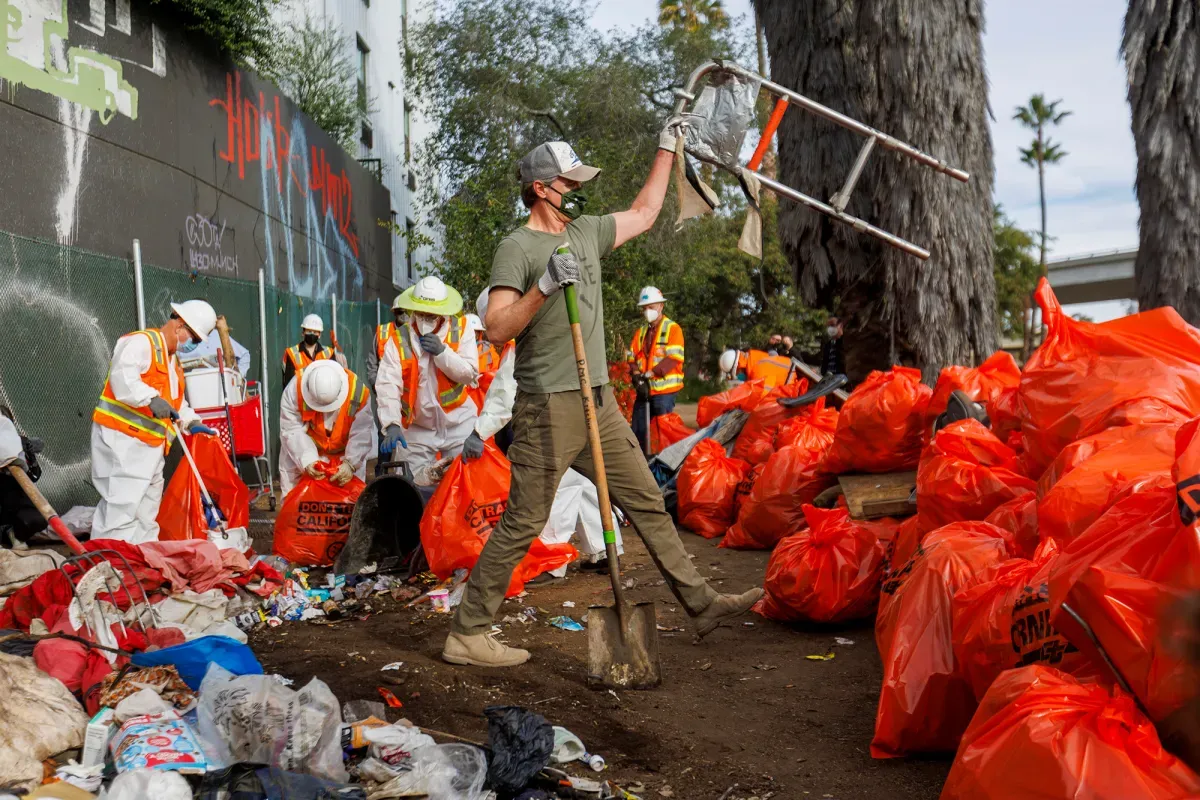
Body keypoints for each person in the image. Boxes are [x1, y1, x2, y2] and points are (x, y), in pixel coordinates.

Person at [442, 135, 763, 668]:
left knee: (647, 502)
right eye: (569, 184)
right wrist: (543, 286)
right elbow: (496, 328)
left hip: (601, 403)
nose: (577, 191)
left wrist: (665, 148)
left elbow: (645, 210)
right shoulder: (517, 248)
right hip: (547, 407)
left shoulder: (587, 232)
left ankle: (702, 604)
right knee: (523, 521)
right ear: (541, 190)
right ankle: (468, 632)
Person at [462, 287, 621, 572]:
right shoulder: (551, 323)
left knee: (551, 487)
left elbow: (504, 392)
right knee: (584, 482)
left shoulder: (523, 340)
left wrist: (479, 432)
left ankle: (552, 563)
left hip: (555, 420)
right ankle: (606, 551)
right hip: (583, 411)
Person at [90, 300, 220, 544]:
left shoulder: (173, 362)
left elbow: (175, 403)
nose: (194, 345)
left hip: (150, 448)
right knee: (121, 510)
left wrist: (190, 421)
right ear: (180, 325)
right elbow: (123, 379)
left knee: (146, 514)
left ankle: (142, 562)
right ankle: (110, 563)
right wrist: (149, 398)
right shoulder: (142, 343)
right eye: (194, 338)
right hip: (124, 443)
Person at [375, 276, 480, 475]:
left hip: (458, 422)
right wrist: (392, 424)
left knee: (466, 481)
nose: (425, 320)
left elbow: (470, 374)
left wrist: (443, 353)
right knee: (411, 484)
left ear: (442, 313)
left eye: (431, 315)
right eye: (421, 314)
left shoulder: (461, 328)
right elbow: (388, 384)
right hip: (417, 427)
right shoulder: (398, 339)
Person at [277, 360, 375, 496]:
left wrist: (351, 463)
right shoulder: (295, 389)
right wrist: (307, 459)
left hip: (346, 452)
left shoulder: (358, 392)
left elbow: (361, 432)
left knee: (351, 497)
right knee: (293, 492)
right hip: (307, 447)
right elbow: (292, 429)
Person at [627, 286, 684, 454]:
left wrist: (650, 374)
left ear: (661, 306)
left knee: (663, 432)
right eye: (644, 308)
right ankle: (642, 464)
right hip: (644, 389)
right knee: (638, 429)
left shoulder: (673, 329)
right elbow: (631, 357)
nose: (647, 311)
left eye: (651, 307)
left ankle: (664, 463)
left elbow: (674, 358)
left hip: (664, 392)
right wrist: (637, 375)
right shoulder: (641, 332)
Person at [0, 411, 46, 548]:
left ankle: (12, 534)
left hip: (14, 496)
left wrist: (29, 456)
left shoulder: (18, 445)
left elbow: (34, 476)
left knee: (38, 519)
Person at [282, 314, 344, 388]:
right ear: (303, 333)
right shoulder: (292, 354)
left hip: (323, 397)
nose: (312, 334)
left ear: (319, 335)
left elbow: (334, 379)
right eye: (309, 331)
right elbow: (288, 385)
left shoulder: (329, 353)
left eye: (315, 332)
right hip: (300, 398)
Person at [180, 315, 252, 377]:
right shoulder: (182, 339)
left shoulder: (217, 335)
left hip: (220, 386)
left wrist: (237, 378)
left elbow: (244, 355)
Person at [717, 347, 794, 388]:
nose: (738, 375)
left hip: (794, 387)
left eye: (737, 373)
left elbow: (763, 401)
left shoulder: (757, 373)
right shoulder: (755, 357)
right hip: (793, 381)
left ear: (739, 366)